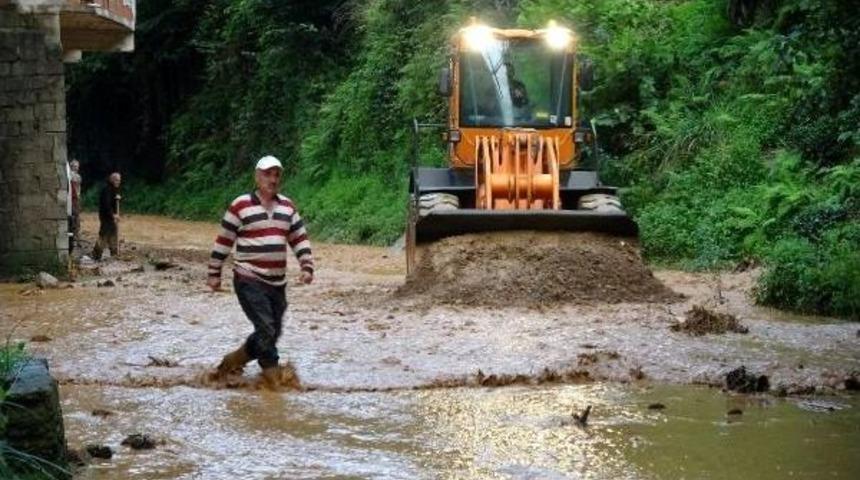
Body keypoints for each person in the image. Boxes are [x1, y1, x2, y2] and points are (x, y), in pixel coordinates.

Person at [207, 155, 315, 389]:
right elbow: (224, 240)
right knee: (266, 328)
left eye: (277, 174)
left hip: (277, 283)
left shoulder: (287, 206)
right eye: (268, 174)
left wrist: (306, 266)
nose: (273, 179)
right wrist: (214, 272)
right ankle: (273, 380)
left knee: (271, 332)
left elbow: (299, 238)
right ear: (257, 177)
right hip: (248, 277)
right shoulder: (241, 205)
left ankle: (230, 363)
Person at [91, 172, 121, 260]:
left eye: (119, 180)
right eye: (116, 180)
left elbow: (114, 203)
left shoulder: (114, 189)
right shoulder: (107, 190)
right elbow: (106, 205)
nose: (118, 182)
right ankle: (96, 254)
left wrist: (118, 198)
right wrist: (113, 215)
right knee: (104, 234)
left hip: (111, 217)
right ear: (112, 180)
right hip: (106, 217)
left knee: (113, 234)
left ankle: (114, 253)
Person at [69, 159, 82, 247]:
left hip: (76, 198)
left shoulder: (78, 176)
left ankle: (76, 238)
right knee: (75, 219)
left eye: (77, 166)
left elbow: (78, 188)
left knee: (76, 219)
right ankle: (75, 239)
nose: (76, 168)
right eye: (74, 166)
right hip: (73, 199)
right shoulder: (72, 176)